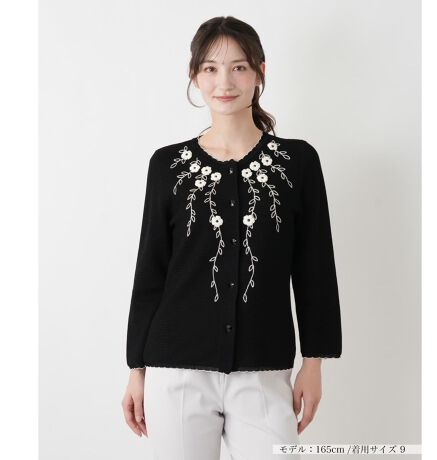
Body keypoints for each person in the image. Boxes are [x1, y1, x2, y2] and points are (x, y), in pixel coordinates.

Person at [121, 15, 342, 460]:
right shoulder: (167, 166)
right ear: (194, 75)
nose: (224, 82)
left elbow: (314, 267)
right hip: (176, 372)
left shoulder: (297, 162)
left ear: (261, 71)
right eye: (210, 68)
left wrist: (314, 363)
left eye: (239, 67)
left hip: (264, 371)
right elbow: (151, 271)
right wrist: (136, 370)